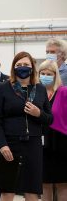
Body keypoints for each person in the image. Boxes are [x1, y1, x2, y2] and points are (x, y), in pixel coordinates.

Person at [0, 51, 53, 201]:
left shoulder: (40, 89)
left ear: (32, 67)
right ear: (13, 67)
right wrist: (2, 145)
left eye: (26, 64)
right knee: (8, 190)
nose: (22, 67)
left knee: (31, 191)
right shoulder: (3, 88)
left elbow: (49, 119)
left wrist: (38, 113)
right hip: (10, 144)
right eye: (19, 65)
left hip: (33, 144)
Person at [39, 60, 67, 201]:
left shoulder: (63, 92)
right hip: (42, 144)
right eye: (42, 73)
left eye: (48, 74)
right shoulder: (37, 92)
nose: (45, 76)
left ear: (55, 75)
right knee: (45, 184)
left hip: (61, 143)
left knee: (62, 184)